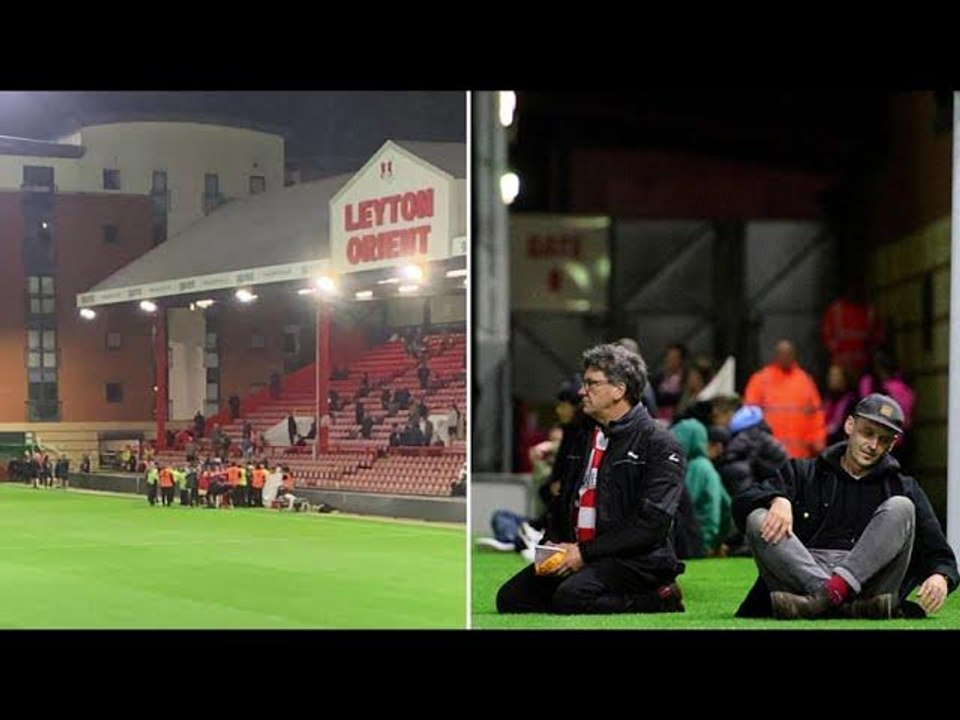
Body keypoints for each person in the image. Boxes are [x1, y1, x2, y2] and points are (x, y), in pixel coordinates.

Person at [496, 343, 687, 615]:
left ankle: (660, 598)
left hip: (636, 560)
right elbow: (564, 499)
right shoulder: (585, 436)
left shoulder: (660, 444)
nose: (581, 391)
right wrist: (554, 541)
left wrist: (584, 553)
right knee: (511, 599)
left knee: (570, 598)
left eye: (591, 384)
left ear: (619, 390)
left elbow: (650, 525)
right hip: (583, 553)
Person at [733, 393, 958, 620]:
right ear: (850, 425)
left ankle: (823, 601)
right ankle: (839, 601)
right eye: (867, 433)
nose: (873, 445)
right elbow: (742, 500)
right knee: (757, 518)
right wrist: (776, 499)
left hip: (871, 586)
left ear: (891, 445)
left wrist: (941, 577)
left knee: (902, 507)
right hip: (805, 579)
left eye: (883, 440)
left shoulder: (904, 486)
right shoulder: (802, 472)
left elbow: (941, 556)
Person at [743, 339, 826, 459]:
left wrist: (818, 440)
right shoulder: (760, 380)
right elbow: (750, 415)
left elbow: (815, 414)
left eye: (788, 353)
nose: (785, 357)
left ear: (794, 355)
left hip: (799, 454)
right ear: (775, 355)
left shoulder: (805, 381)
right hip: (768, 454)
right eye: (781, 353)